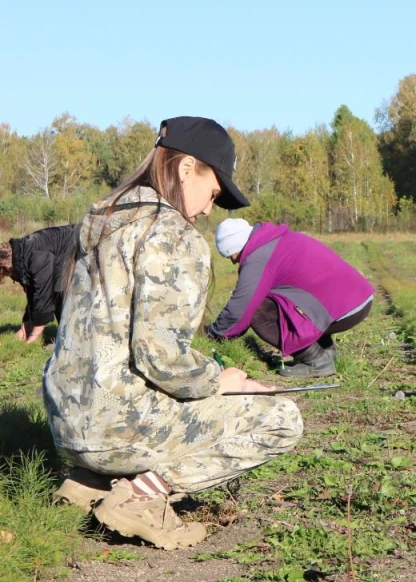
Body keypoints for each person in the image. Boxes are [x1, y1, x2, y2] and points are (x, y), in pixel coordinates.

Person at [44, 116, 304, 550]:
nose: (206, 210)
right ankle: (140, 500)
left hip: (67, 424)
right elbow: (160, 357)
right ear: (186, 169)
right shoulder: (170, 234)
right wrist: (221, 381)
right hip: (113, 424)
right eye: (212, 193)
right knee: (280, 418)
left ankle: (89, 482)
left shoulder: (103, 218)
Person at [205, 218, 375, 378]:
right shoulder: (277, 240)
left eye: (230, 256)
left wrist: (214, 334)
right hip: (357, 300)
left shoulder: (257, 258)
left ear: (235, 247)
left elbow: (242, 307)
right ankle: (326, 353)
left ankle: (316, 361)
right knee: (285, 302)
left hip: (344, 309)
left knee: (259, 312)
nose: (233, 262)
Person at [0, 224, 77, 344]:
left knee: (60, 295)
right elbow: (33, 292)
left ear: (7, 268)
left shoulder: (36, 257)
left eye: (7, 275)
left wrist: (35, 334)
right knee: (57, 292)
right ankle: (67, 340)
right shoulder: (21, 255)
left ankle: (74, 341)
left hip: (79, 248)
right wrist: (26, 325)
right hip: (62, 258)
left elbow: (43, 294)